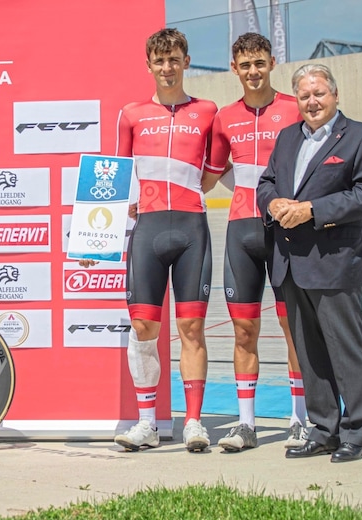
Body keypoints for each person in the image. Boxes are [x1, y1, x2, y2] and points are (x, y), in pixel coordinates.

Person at [83, 27, 219, 452]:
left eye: (174, 59)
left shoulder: (208, 111)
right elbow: (110, 178)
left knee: (191, 326)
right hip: (149, 230)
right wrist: (92, 237)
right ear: (149, 65)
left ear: (186, 61)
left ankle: (193, 422)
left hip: (192, 227)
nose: (167, 67)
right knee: (143, 326)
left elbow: (213, 173)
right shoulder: (131, 114)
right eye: (159, 61)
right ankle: (147, 424)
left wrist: (182, 193)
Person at [256, 63, 362, 462]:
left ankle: (356, 433)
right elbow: (266, 183)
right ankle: (324, 428)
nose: (312, 101)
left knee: (345, 349)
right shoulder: (287, 138)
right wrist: (273, 203)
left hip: (336, 261)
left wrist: (313, 209)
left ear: (335, 95)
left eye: (319, 93)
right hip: (291, 262)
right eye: (304, 96)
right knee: (310, 353)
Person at [202, 33, 309, 452]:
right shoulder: (224, 117)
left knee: (292, 328)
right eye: (245, 65)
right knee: (244, 330)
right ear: (234, 68)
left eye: (259, 63)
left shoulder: (293, 108)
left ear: (272, 62)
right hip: (242, 232)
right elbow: (209, 175)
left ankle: (300, 419)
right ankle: (246, 424)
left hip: (287, 234)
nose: (253, 72)